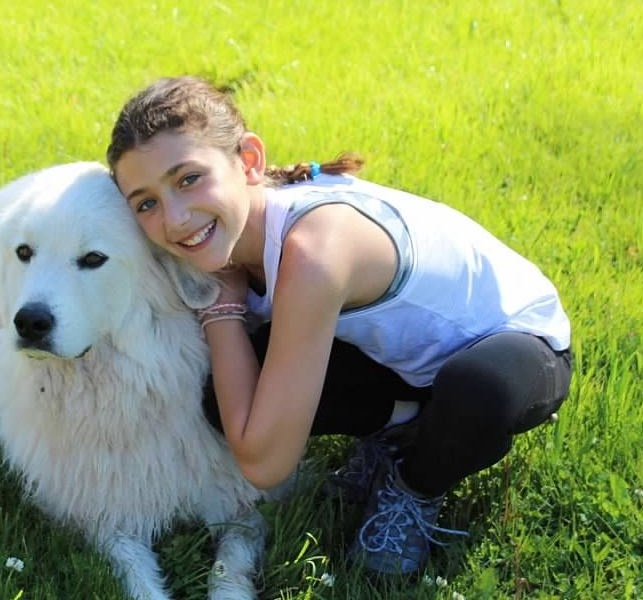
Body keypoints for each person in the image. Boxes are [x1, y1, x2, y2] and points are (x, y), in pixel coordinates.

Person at [106, 76, 572, 576]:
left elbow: (265, 464)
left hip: (515, 346)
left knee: (476, 392)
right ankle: (406, 425)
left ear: (248, 161)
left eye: (188, 179)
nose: (175, 220)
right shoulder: (228, 236)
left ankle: (415, 484)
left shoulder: (316, 252)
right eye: (146, 203)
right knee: (223, 391)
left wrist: (221, 310)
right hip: (402, 362)